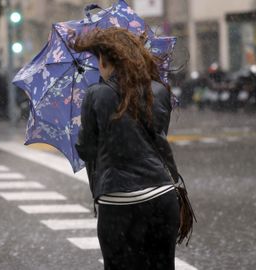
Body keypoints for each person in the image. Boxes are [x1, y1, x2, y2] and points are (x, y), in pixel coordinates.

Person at [71, 27, 182, 269]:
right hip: (162, 196)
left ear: (104, 59)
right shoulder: (159, 91)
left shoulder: (96, 95)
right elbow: (154, 140)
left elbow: (86, 149)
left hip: (118, 201)